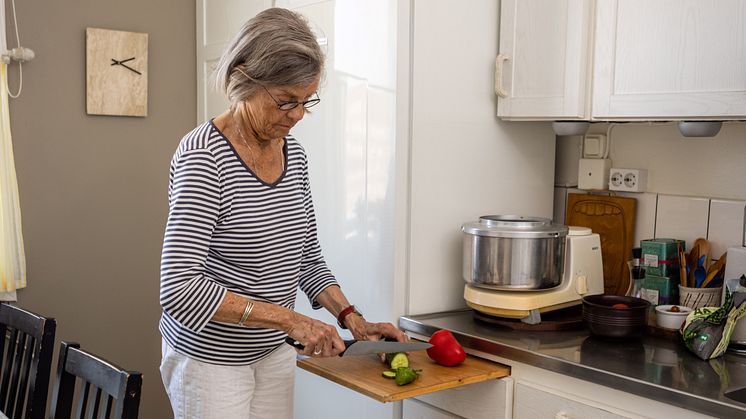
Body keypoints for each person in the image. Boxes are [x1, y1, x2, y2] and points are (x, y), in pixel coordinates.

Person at [158, 7, 407, 419]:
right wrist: (291, 321)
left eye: (306, 101)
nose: (297, 116)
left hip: (270, 352)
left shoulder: (294, 154)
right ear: (244, 80)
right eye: (286, 101)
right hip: (209, 361)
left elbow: (305, 254)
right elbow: (178, 288)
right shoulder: (203, 157)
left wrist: (352, 319)